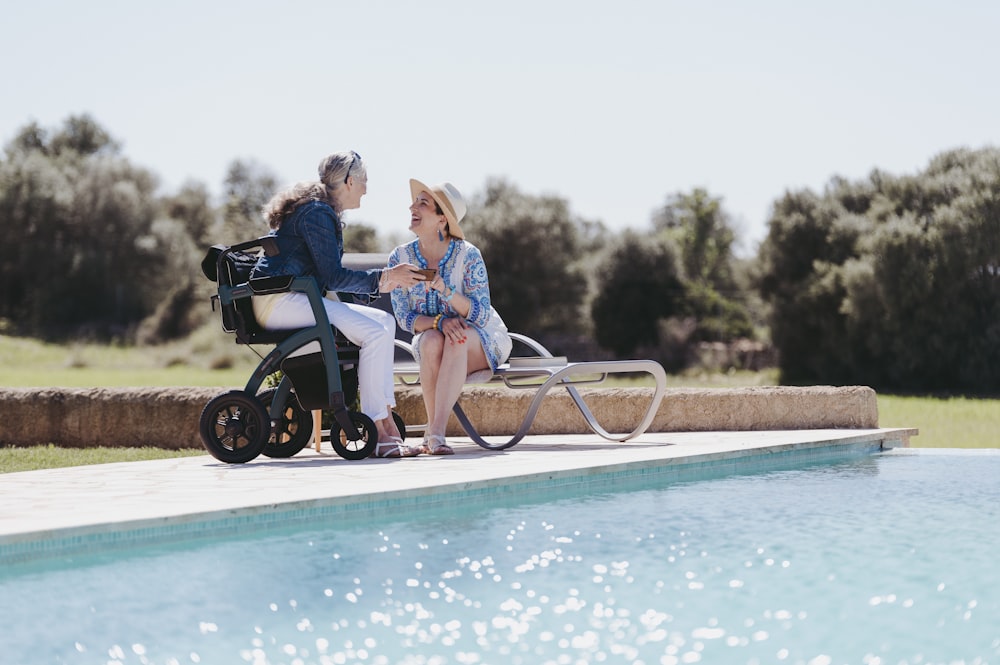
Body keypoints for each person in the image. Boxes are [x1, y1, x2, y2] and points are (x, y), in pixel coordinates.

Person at [250, 151, 427, 458]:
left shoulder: (319, 210)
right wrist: (384, 278)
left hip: (296, 297)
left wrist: (384, 280)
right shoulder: (318, 212)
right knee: (373, 333)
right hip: (279, 301)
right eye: (364, 182)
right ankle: (379, 425)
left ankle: (385, 418)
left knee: (383, 324)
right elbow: (332, 276)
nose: (367, 189)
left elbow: (326, 276)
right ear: (349, 181)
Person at [388, 179, 513, 455]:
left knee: (457, 337)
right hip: (436, 339)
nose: (413, 206)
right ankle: (434, 436)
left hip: (480, 339)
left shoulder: (468, 255)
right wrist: (439, 322)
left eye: (423, 203)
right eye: (414, 201)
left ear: (442, 220)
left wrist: (446, 290)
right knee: (431, 340)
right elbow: (404, 318)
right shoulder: (400, 257)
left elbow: (480, 315)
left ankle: (435, 432)